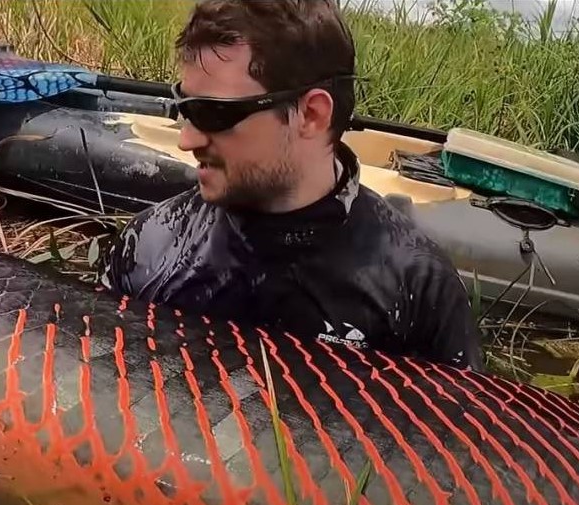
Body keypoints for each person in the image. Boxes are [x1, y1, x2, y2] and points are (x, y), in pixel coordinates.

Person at [97, 0, 484, 370]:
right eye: (185, 107)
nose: (187, 139)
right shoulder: (150, 248)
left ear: (311, 115)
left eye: (212, 112)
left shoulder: (419, 292)